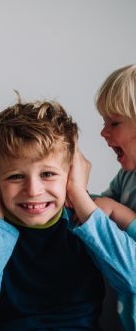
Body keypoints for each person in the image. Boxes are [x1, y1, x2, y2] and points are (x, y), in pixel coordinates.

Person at [0, 99, 136, 330]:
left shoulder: (86, 215)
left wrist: (79, 194)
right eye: (15, 176)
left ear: (71, 172)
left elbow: (132, 279)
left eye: (48, 174)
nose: (33, 191)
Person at [94, 64, 136, 331]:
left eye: (114, 123)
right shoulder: (126, 178)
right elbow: (98, 208)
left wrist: (121, 214)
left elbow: (111, 209)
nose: (104, 132)